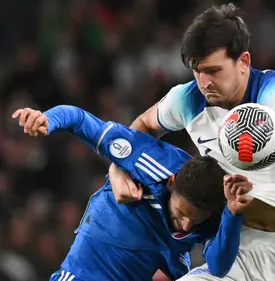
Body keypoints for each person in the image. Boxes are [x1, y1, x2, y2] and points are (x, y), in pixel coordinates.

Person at [108, 3, 275, 280]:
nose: (204, 82)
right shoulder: (188, 99)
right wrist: (118, 169)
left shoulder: (274, 97)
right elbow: (141, 126)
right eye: (197, 70)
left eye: (214, 70)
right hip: (241, 252)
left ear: (244, 62)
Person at [13, 106, 254, 281]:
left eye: (196, 219)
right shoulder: (148, 159)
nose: (187, 225)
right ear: (171, 183)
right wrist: (46, 119)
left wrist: (233, 216)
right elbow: (79, 120)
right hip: (86, 271)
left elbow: (219, 266)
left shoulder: (216, 208)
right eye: (181, 213)